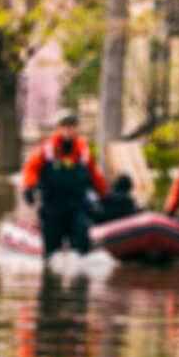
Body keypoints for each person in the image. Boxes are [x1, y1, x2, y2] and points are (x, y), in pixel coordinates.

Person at [22, 111, 108, 259]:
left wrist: (105, 196)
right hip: (53, 206)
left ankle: (81, 276)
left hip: (77, 205)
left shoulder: (83, 149)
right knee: (51, 250)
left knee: (82, 240)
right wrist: (29, 187)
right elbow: (31, 168)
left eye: (72, 126)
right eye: (66, 126)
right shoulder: (47, 149)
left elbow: (94, 175)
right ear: (59, 128)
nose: (69, 130)